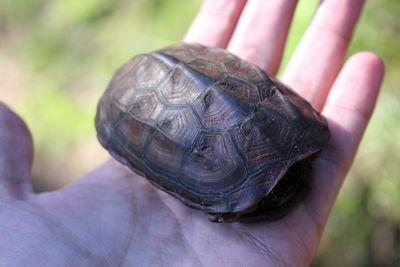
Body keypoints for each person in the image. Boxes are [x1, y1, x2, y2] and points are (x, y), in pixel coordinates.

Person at [0, 0, 384, 266]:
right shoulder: (268, 173)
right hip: (130, 103)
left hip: (260, 116)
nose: (286, 188)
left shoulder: (308, 139)